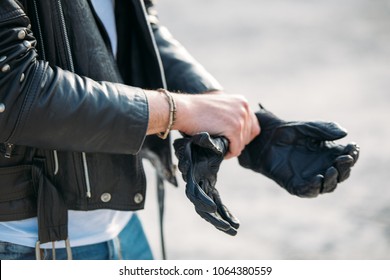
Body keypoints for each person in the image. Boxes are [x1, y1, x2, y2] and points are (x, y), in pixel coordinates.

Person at [0, 0, 260, 260]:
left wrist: (213, 102)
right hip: (26, 243)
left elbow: (138, 22)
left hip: (123, 228)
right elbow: (13, 91)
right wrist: (179, 110)